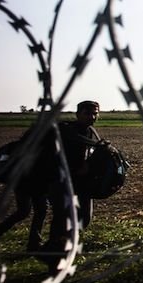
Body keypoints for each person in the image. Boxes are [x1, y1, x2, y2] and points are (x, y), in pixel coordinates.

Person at [40, 100, 101, 270]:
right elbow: (57, 157)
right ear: (78, 114)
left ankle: (49, 251)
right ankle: (55, 262)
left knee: (84, 219)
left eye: (95, 113)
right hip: (61, 182)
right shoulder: (66, 130)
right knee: (62, 220)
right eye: (87, 113)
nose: (92, 117)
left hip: (82, 184)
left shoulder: (90, 132)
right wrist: (76, 168)